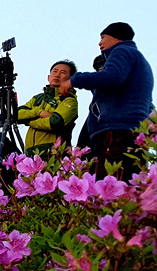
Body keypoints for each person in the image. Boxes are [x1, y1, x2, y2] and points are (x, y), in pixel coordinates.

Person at [60, 22, 154, 180]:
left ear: (116, 37)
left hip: (116, 132)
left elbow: (111, 76)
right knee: (129, 187)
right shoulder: (137, 60)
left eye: (103, 37)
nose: (100, 42)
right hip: (132, 134)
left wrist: (74, 80)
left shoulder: (122, 51)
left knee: (110, 187)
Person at [17, 60, 79, 157]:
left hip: (55, 153)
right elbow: (17, 114)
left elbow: (55, 123)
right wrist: (40, 112)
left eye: (63, 73)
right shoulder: (37, 98)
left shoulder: (69, 100)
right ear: (48, 77)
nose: (57, 75)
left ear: (70, 79)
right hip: (30, 153)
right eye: (54, 71)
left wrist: (28, 120)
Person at [76, 54, 106, 150]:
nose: (101, 69)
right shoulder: (94, 113)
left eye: (105, 65)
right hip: (95, 132)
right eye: (98, 69)